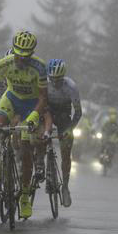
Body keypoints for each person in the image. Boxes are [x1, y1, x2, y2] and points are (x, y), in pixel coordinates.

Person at [0, 31, 47, 219]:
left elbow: (43, 97)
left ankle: (24, 195)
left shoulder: (40, 68)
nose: (21, 60)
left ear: (31, 53)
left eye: (26, 56)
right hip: (11, 99)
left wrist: (33, 117)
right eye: (18, 55)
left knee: (25, 150)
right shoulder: (3, 64)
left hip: (31, 105)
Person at [40, 59, 82, 207]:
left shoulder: (71, 87)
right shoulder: (44, 82)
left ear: (63, 77)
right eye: (52, 79)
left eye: (58, 80)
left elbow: (78, 113)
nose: (55, 82)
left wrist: (70, 130)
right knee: (39, 135)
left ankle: (65, 186)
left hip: (64, 116)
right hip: (48, 112)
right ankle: (39, 162)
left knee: (66, 150)